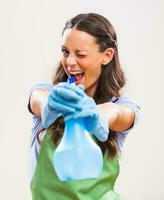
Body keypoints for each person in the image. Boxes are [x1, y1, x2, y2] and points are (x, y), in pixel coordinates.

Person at [27, 13, 141, 199]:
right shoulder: (45, 93)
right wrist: (52, 104)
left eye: (80, 54)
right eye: (65, 52)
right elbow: (39, 100)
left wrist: (94, 115)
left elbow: (117, 114)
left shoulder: (123, 106)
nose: (70, 62)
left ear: (107, 55)